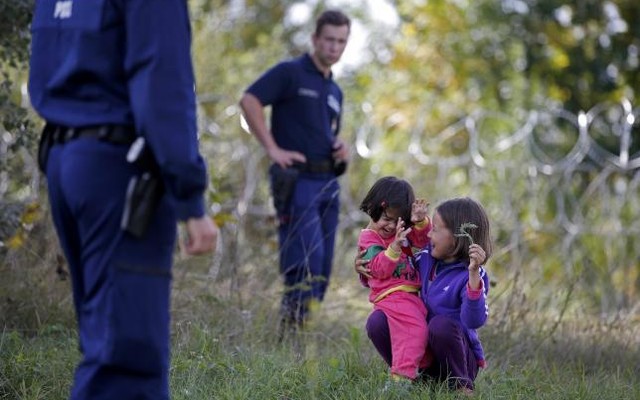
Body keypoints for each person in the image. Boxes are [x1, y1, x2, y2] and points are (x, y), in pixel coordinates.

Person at [28, 1, 218, 399]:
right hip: (119, 170)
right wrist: (190, 199)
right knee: (126, 359)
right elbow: (162, 84)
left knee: (104, 340)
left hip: (66, 160)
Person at [239, 10, 351, 335]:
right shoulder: (290, 73)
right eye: (329, 39)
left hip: (328, 182)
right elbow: (249, 100)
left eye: (341, 42)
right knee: (305, 262)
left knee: (325, 269)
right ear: (315, 39)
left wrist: (340, 147)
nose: (334, 47)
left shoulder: (335, 91)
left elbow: (325, 133)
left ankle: (302, 337)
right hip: (297, 180)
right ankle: (289, 336)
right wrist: (272, 148)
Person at [356, 197, 492, 394]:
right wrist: (363, 269)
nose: (429, 233)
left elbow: (474, 320)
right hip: (428, 354)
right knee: (377, 321)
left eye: (435, 229)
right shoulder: (426, 257)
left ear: (457, 236)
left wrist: (472, 275)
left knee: (440, 325)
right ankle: (411, 376)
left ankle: (461, 387)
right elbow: (396, 271)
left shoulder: (472, 275)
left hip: (459, 359)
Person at [357, 177, 432, 382]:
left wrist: (419, 222)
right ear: (374, 208)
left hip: (410, 295)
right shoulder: (369, 238)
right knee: (413, 331)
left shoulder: (399, 231)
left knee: (420, 334)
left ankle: (424, 376)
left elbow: (422, 240)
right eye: (387, 218)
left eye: (397, 221)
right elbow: (377, 269)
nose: (390, 226)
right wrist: (395, 248)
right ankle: (401, 379)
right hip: (392, 296)